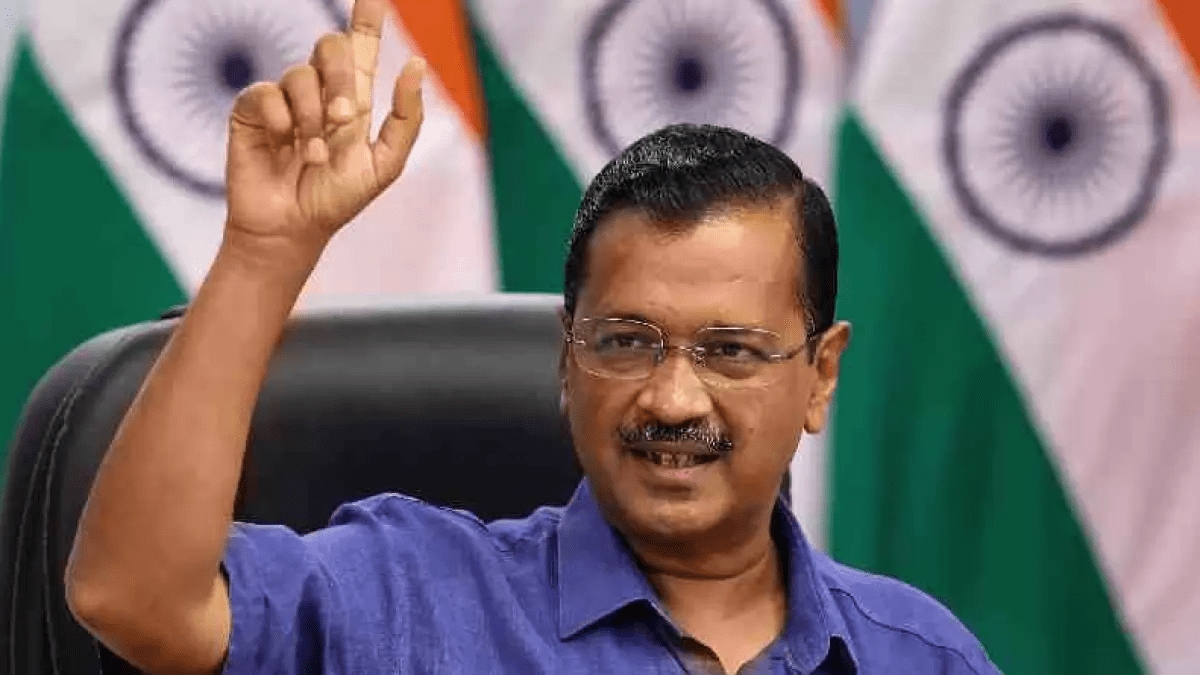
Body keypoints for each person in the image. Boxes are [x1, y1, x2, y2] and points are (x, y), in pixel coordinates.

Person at [64, 1, 1001, 673]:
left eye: (731, 351)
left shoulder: (915, 651)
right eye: (626, 341)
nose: (673, 398)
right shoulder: (414, 597)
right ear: (566, 357)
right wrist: (264, 253)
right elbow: (132, 598)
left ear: (821, 375)